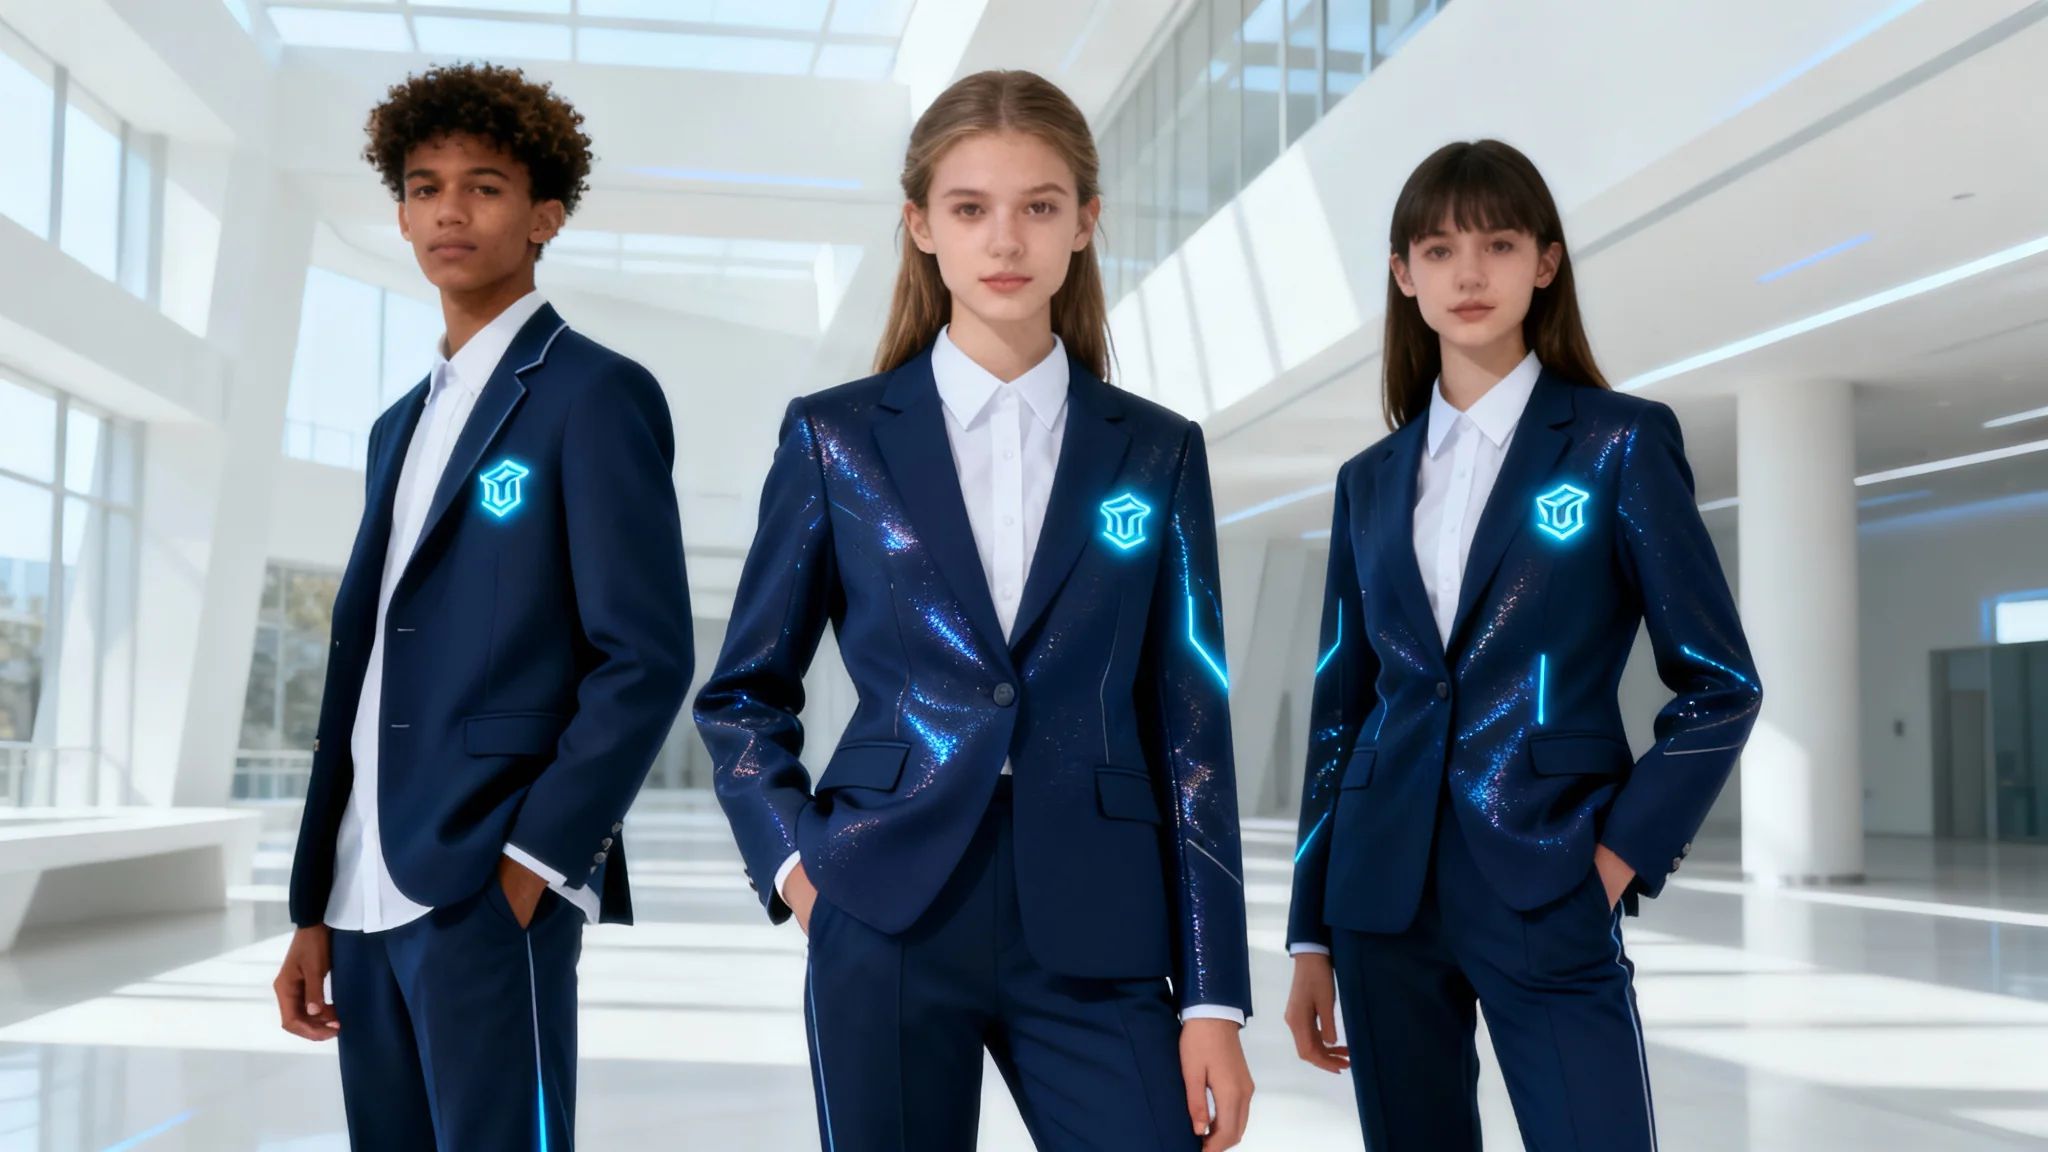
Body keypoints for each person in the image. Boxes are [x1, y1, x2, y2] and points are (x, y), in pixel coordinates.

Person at [696, 69, 1254, 1152]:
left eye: (1039, 206)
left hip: (1099, 913)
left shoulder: (1155, 449)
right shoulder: (835, 438)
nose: (1007, 239)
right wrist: (799, 871)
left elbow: (1192, 731)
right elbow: (742, 693)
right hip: (885, 898)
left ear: (1084, 223)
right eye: (969, 208)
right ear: (920, 228)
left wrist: (1211, 999)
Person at [1282, 139, 1762, 1151]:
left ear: (1543, 262)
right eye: (1438, 247)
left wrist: (1613, 860)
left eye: (1497, 243)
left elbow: (1719, 685)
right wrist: (1309, 934)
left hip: (1548, 872)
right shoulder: (1367, 480)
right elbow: (1342, 712)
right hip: (1378, 894)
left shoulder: (1617, 443)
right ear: (1401, 274)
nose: (1468, 273)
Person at [271, 63, 693, 1151]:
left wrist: (533, 867)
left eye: (485, 186)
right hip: (366, 889)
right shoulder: (394, 427)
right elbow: (363, 670)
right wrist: (314, 900)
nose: (448, 211)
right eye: (422, 187)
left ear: (545, 213)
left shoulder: (595, 393)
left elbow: (642, 658)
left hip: (484, 884)